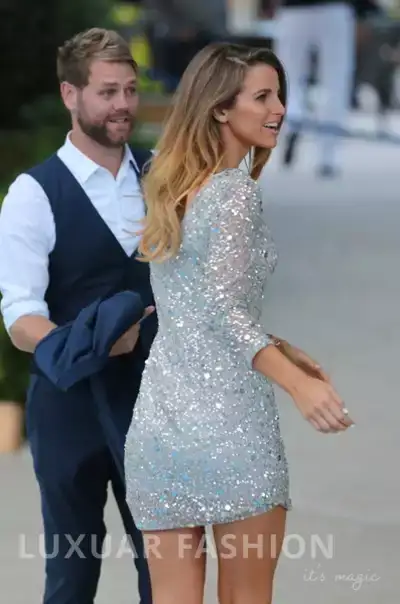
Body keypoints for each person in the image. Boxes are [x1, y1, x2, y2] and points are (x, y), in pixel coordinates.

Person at [123, 42, 355, 604]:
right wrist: (298, 384)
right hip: (233, 430)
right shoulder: (234, 193)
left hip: (159, 429)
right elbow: (222, 310)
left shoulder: (173, 188)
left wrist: (279, 344)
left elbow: (196, 308)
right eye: (263, 97)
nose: (279, 109)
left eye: (279, 95)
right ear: (221, 108)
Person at [0, 28, 156, 604]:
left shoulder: (160, 176)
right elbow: (21, 316)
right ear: (71, 94)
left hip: (154, 402)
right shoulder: (34, 193)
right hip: (68, 406)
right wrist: (92, 342)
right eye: (107, 92)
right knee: (72, 572)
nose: (122, 104)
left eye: (130, 90)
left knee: (165, 568)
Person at [275, 0, 357, 177]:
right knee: (335, 81)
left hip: (292, 11)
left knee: (289, 78)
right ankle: (328, 156)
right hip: (334, 10)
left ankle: (294, 117)